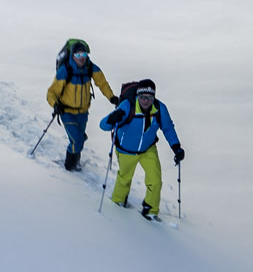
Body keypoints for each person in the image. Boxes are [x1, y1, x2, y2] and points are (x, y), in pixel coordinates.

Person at [99, 78, 184, 219]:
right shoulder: (127, 106)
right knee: (124, 178)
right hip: (126, 149)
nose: (146, 101)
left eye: (149, 98)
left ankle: (150, 210)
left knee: (155, 180)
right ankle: (118, 202)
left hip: (148, 149)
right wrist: (112, 118)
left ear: (154, 97)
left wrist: (176, 147)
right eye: (142, 97)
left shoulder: (159, 108)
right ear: (138, 96)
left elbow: (168, 128)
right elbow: (103, 126)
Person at [44, 38, 116, 171]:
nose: (81, 58)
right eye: (78, 55)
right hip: (66, 112)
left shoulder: (91, 68)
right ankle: (69, 167)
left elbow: (102, 83)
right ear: (72, 56)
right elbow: (52, 92)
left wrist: (112, 98)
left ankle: (75, 162)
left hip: (83, 112)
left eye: (84, 55)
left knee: (78, 140)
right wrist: (55, 105)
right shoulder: (66, 71)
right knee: (76, 140)